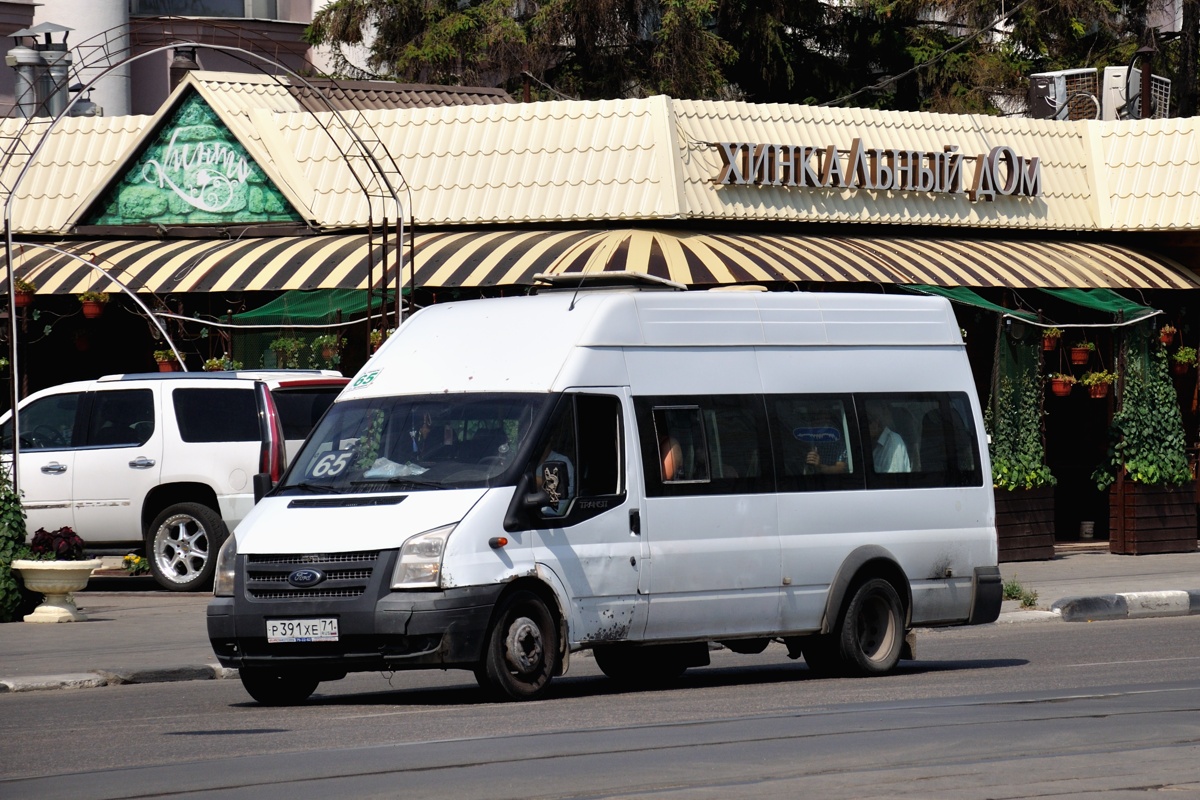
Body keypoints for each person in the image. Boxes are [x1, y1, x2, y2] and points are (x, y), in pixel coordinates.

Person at [867, 403, 911, 473]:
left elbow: (893, 480)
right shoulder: (872, 442)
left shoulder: (892, 443)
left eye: (868, 422)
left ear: (877, 423)